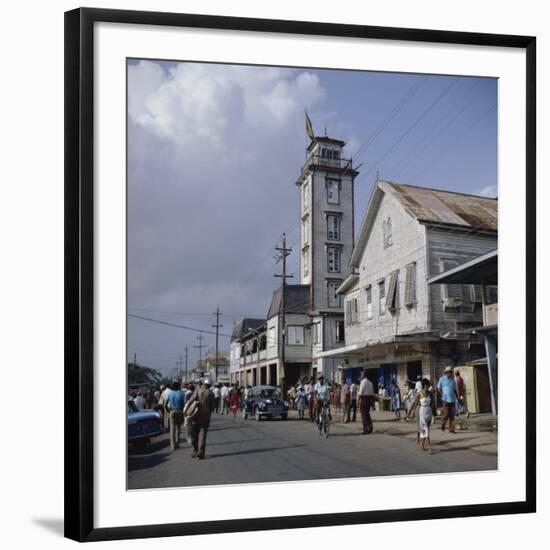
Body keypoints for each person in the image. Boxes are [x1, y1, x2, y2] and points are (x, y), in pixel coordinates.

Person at [187, 378, 216, 459]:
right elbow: (213, 407)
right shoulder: (211, 393)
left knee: (195, 433)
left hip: (196, 415)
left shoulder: (197, 390)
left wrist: (186, 411)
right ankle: (201, 452)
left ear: (204, 384)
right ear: (209, 385)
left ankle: (194, 451)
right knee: (203, 434)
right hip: (206, 417)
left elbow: (190, 401)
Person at [407, 378, 433, 452]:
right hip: (422, 412)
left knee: (426, 429)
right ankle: (430, 447)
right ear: (424, 385)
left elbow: (432, 403)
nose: (428, 387)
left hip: (429, 411)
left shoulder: (430, 393)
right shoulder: (419, 394)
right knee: (426, 429)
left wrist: (433, 413)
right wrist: (413, 412)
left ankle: (422, 444)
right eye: (427, 385)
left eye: (429, 385)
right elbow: (415, 404)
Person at [437, 366, 458, 433]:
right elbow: (438, 387)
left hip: (452, 399)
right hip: (445, 399)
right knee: (446, 413)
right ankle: (443, 423)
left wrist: (458, 397)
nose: (449, 373)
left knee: (452, 415)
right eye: (448, 372)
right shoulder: (442, 379)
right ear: (446, 373)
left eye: (450, 372)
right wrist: (442, 394)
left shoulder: (453, 380)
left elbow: (454, 390)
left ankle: (451, 429)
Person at [166, 382, 186, 450]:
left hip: (172, 411)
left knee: (172, 429)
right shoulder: (181, 394)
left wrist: (169, 411)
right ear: (178, 387)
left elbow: (165, 404)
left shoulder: (170, 394)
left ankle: (172, 446)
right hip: (179, 411)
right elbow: (184, 404)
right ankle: (177, 443)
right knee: (178, 428)